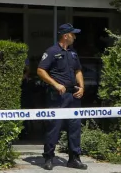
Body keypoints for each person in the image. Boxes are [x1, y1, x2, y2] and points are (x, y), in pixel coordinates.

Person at [37, 23, 87, 170]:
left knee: (75, 126)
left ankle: (74, 158)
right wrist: (56, 84)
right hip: (58, 96)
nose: (75, 37)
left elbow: (78, 71)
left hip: (73, 95)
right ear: (66, 36)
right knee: (54, 126)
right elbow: (40, 70)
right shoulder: (52, 51)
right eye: (73, 34)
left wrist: (82, 87)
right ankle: (48, 158)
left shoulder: (73, 53)